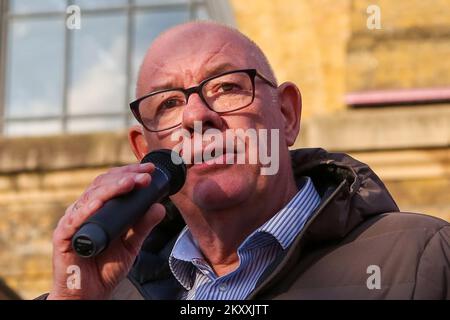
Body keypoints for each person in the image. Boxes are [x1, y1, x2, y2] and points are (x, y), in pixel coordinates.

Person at [43, 22, 449, 300]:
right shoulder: (112, 290)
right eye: (168, 103)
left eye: (226, 87)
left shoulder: (421, 257)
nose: (196, 116)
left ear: (287, 115)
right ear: (144, 152)